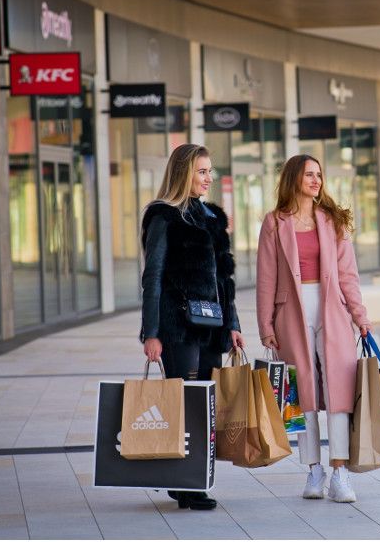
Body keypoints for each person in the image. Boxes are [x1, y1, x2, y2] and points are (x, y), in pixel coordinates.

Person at [256, 154, 371, 503]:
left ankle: (340, 473)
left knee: (338, 388)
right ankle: (314, 470)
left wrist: (360, 317)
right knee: (302, 391)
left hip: (331, 309)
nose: (316, 180)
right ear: (294, 178)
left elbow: (348, 275)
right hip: (290, 311)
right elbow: (266, 277)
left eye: (319, 174)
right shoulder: (274, 222)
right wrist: (265, 325)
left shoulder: (331, 220)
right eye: (309, 174)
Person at [140, 143, 245, 511]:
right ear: (184, 173)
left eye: (210, 171)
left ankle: (194, 480)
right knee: (182, 403)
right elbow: (153, 276)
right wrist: (151, 332)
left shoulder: (212, 218)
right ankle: (185, 484)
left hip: (212, 327)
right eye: (202, 171)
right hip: (178, 327)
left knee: (205, 406)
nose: (208, 178)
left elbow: (225, 279)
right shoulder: (163, 217)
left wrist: (233, 324)